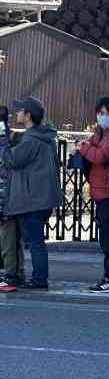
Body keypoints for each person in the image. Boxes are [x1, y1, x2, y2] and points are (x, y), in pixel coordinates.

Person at [0, 97, 61, 290]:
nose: (16, 113)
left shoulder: (30, 139)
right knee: (36, 240)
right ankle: (38, 278)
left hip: (31, 199)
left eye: (20, 111)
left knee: (35, 242)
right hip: (43, 198)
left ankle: (39, 280)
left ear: (28, 115)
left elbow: (10, 161)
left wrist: (2, 142)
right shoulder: (46, 138)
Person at [78, 97, 109, 292]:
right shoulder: (99, 134)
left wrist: (83, 147)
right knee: (108, 236)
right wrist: (86, 146)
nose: (103, 117)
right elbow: (91, 149)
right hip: (101, 192)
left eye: (108, 114)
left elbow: (99, 157)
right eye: (100, 113)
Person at [0, 106, 23, 292]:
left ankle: (11, 274)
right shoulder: (14, 139)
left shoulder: (11, 140)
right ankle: (14, 272)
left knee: (9, 237)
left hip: (7, 195)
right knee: (10, 237)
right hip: (10, 194)